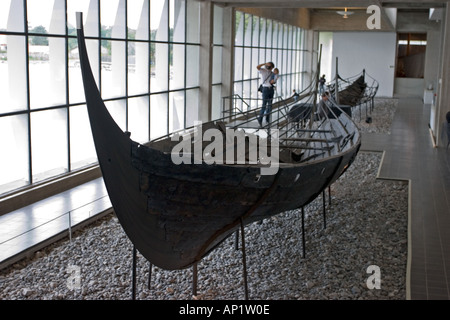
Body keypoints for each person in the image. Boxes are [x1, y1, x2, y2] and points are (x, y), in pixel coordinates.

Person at [256, 62, 275, 126]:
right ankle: (260, 119)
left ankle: (267, 120)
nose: (268, 67)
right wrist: (264, 63)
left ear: (272, 67)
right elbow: (257, 67)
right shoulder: (263, 71)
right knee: (264, 105)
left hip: (271, 89)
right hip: (265, 89)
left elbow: (273, 81)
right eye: (267, 66)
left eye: (269, 66)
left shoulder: (272, 73)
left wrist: (273, 81)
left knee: (270, 106)